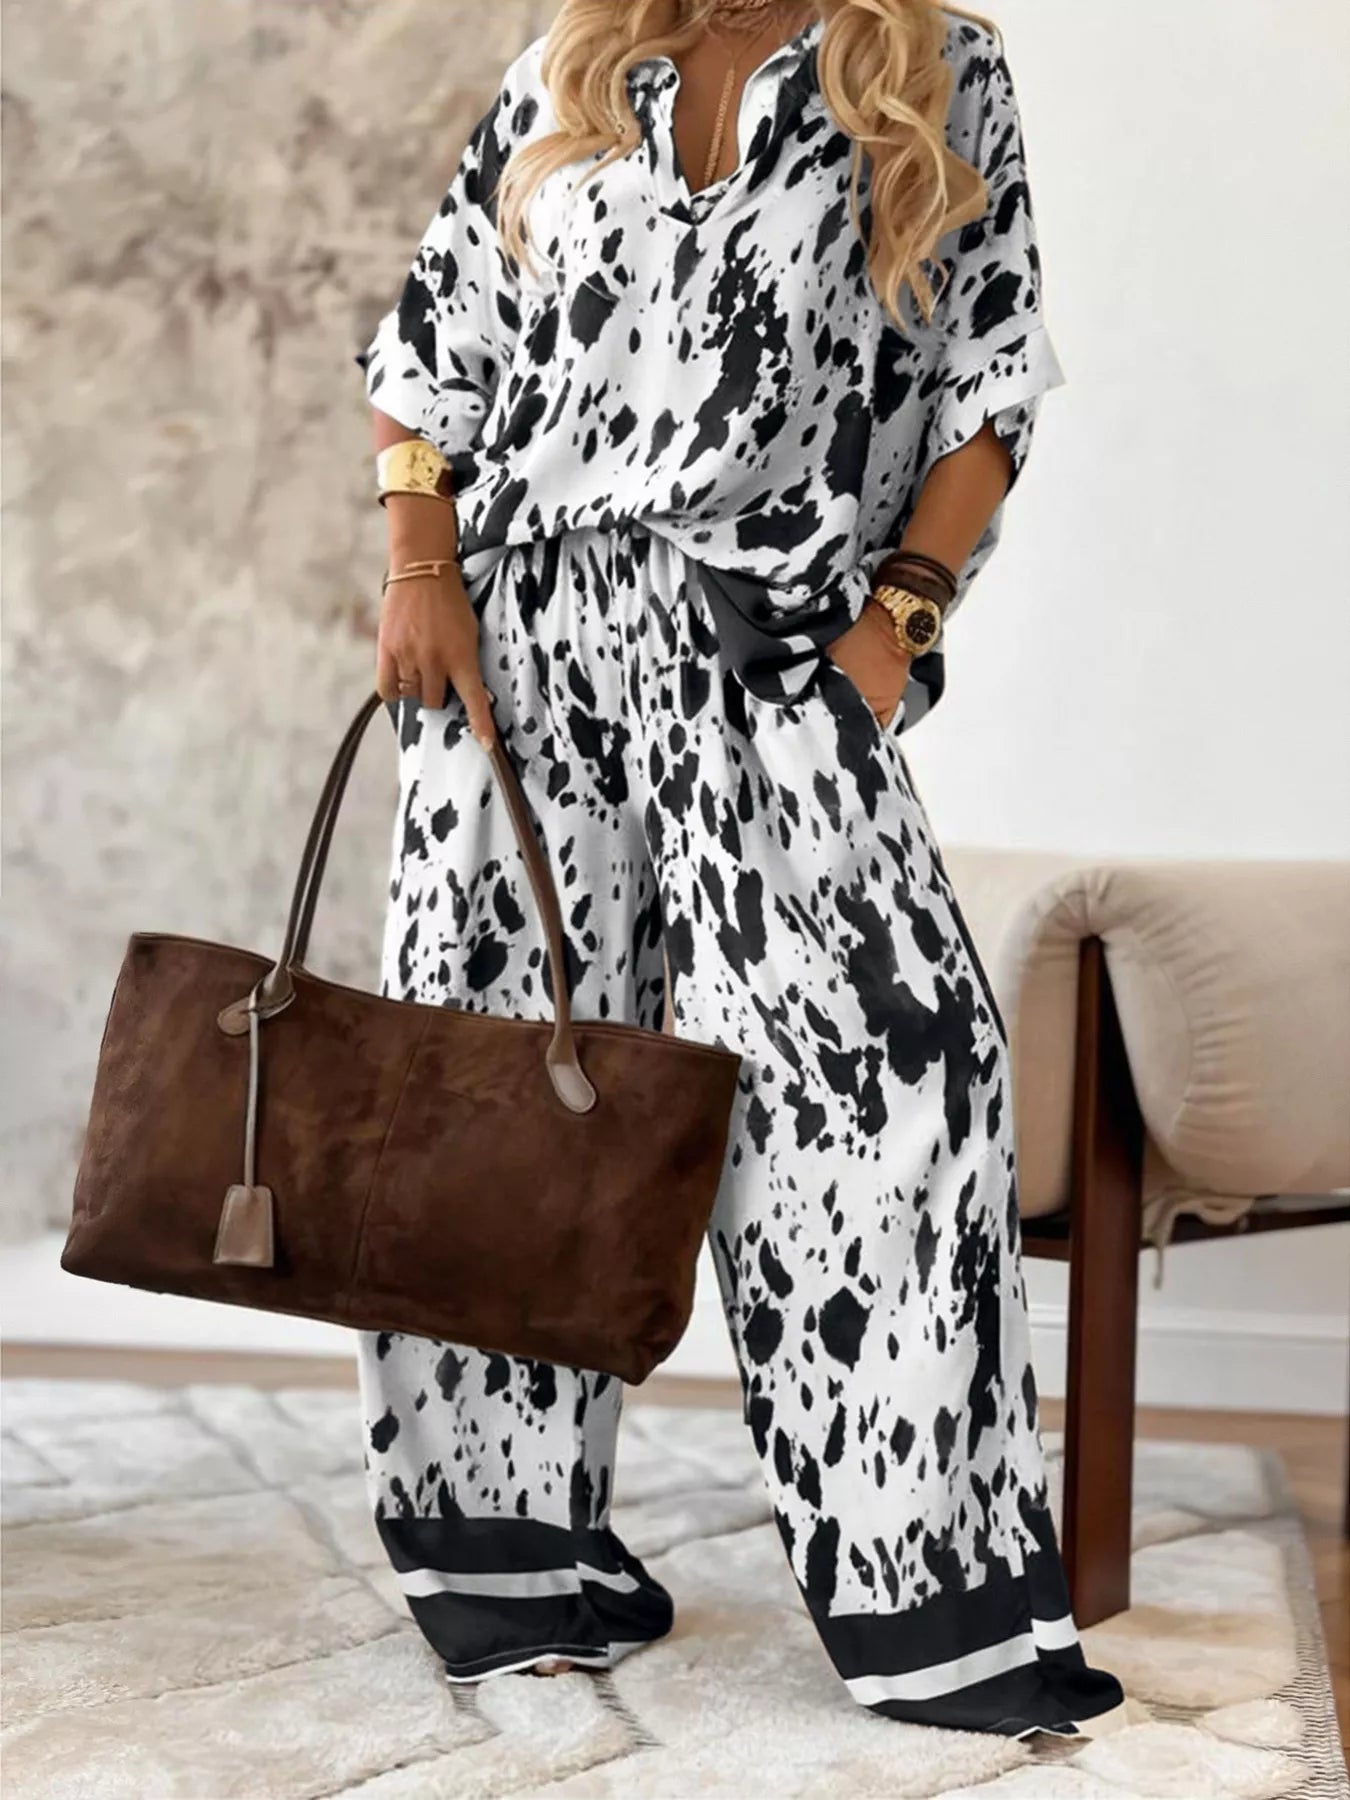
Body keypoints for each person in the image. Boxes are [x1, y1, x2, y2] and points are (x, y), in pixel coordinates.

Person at [352, 0, 1126, 1739]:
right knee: (501, 1080)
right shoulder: (574, 62)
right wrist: (419, 567)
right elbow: (434, 348)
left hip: (764, 643)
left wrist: (897, 620)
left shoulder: (928, 63)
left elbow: (987, 378)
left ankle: (928, 1592)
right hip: (523, 640)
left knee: (892, 1085)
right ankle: (502, 1562)